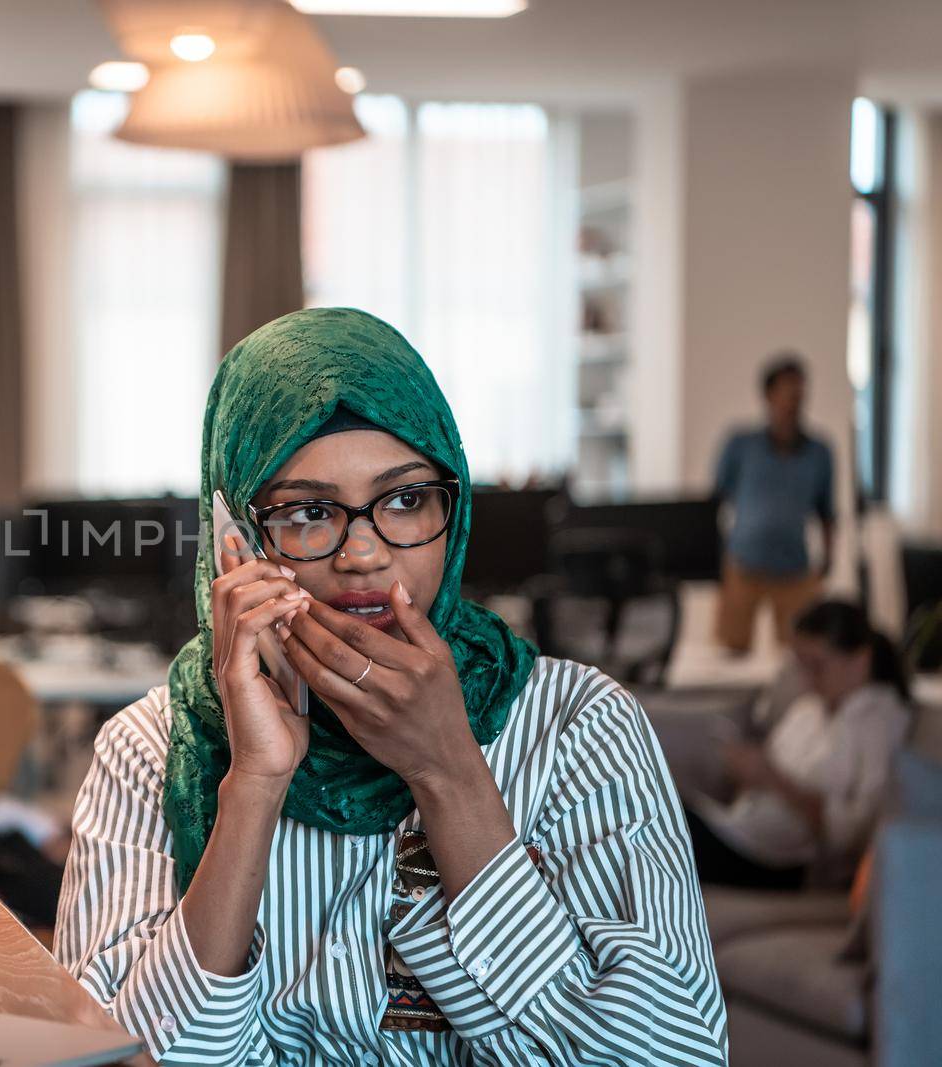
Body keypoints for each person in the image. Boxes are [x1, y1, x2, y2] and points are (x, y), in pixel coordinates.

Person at [54, 309, 725, 1065]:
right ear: (235, 536)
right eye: (309, 512)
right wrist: (251, 785)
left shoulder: (577, 726)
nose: (365, 554)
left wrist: (449, 770)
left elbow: (675, 1055)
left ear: (454, 505)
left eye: (405, 499)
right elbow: (111, 1056)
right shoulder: (152, 750)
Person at [685, 599, 911, 889]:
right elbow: (761, 779)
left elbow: (855, 835)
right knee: (645, 807)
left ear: (860, 661)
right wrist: (746, 771)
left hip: (784, 860)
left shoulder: (880, 721)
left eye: (817, 666)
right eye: (801, 666)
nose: (807, 679)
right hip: (741, 830)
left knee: (656, 827)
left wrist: (773, 780)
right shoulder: (808, 710)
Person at [713, 353, 836, 654]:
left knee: (802, 651)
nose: (795, 400)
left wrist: (828, 558)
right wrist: (714, 555)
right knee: (731, 649)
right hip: (743, 563)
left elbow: (827, 511)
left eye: (800, 391)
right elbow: (714, 502)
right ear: (769, 395)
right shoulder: (741, 445)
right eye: (788, 391)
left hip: (795, 567)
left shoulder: (819, 452)